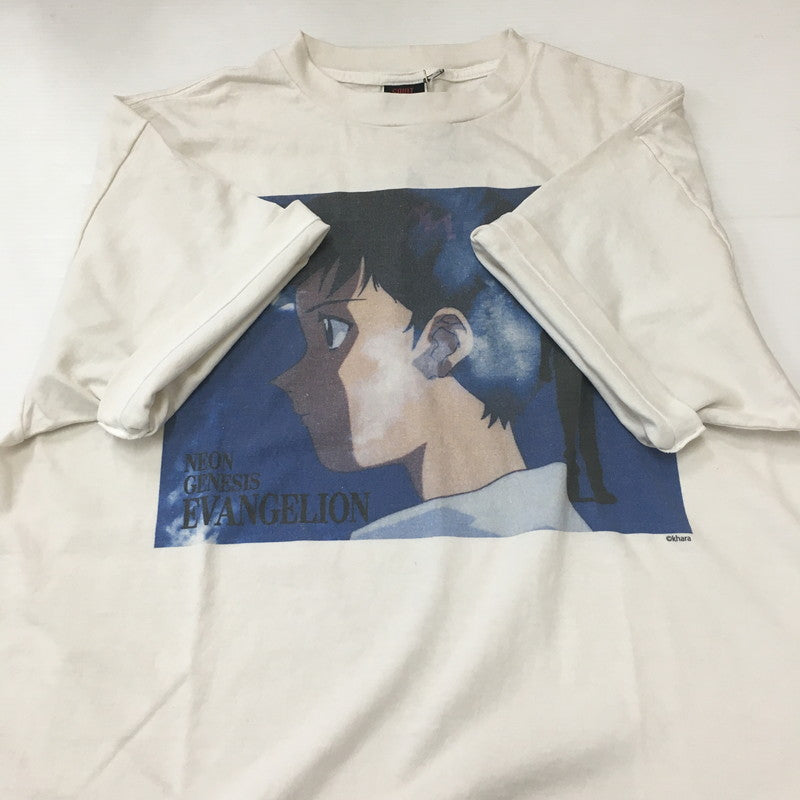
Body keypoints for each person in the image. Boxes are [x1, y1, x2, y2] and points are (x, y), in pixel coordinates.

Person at [270, 188, 600, 538]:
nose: (287, 378)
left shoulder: (387, 548)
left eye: (332, 332)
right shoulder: (559, 531)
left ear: (443, 345)